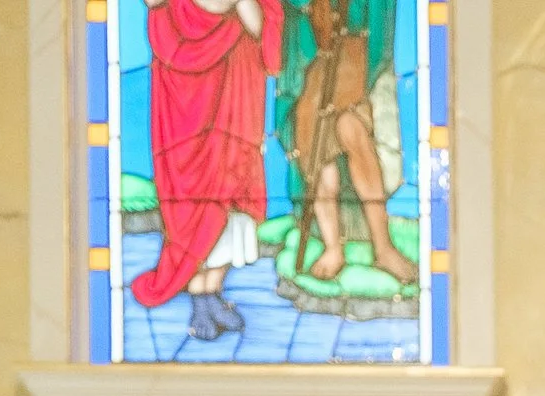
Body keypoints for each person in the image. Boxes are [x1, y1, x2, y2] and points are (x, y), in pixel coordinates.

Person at [132, 0, 279, 342]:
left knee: (229, 198)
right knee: (197, 198)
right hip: (187, 105)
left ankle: (211, 292)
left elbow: (265, 31)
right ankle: (199, 297)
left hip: (234, 98)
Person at [280, 0, 419, 291]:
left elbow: (375, 25)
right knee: (316, 153)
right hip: (312, 67)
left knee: (352, 130)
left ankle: (383, 248)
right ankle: (333, 247)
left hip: (354, 62)